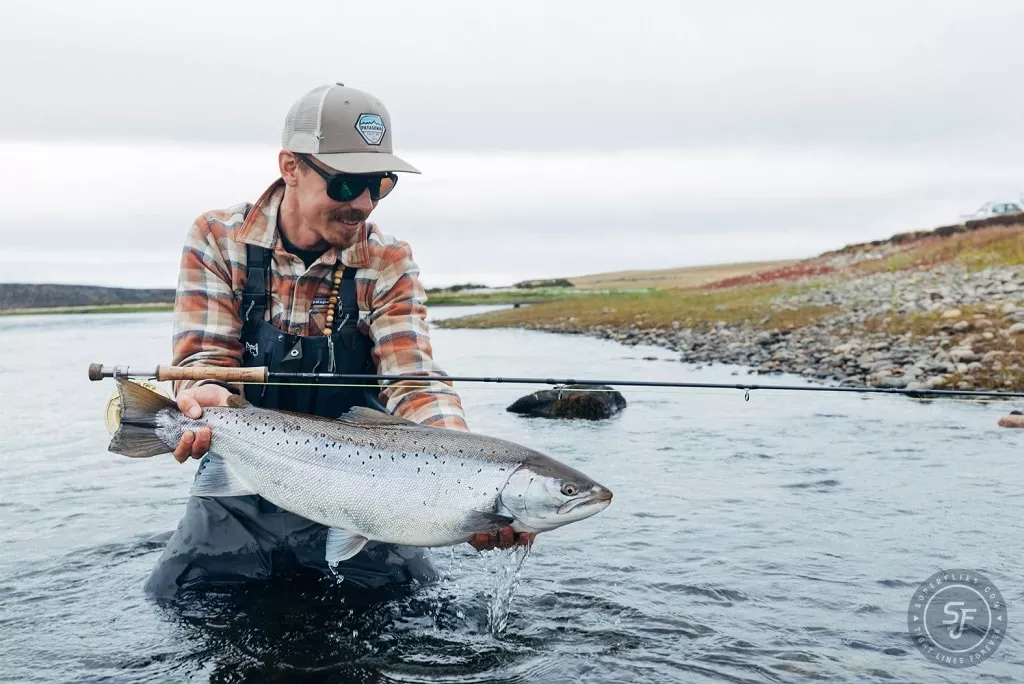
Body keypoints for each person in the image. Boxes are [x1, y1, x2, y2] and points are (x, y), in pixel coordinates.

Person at [145, 83, 533, 596]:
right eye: (348, 185)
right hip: (249, 476)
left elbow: (413, 381)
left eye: (381, 183)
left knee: (408, 609)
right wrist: (202, 395)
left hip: (372, 491)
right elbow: (206, 360)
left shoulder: (387, 261)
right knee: (178, 601)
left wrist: (468, 477)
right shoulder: (218, 238)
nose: (365, 203)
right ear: (291, 166)